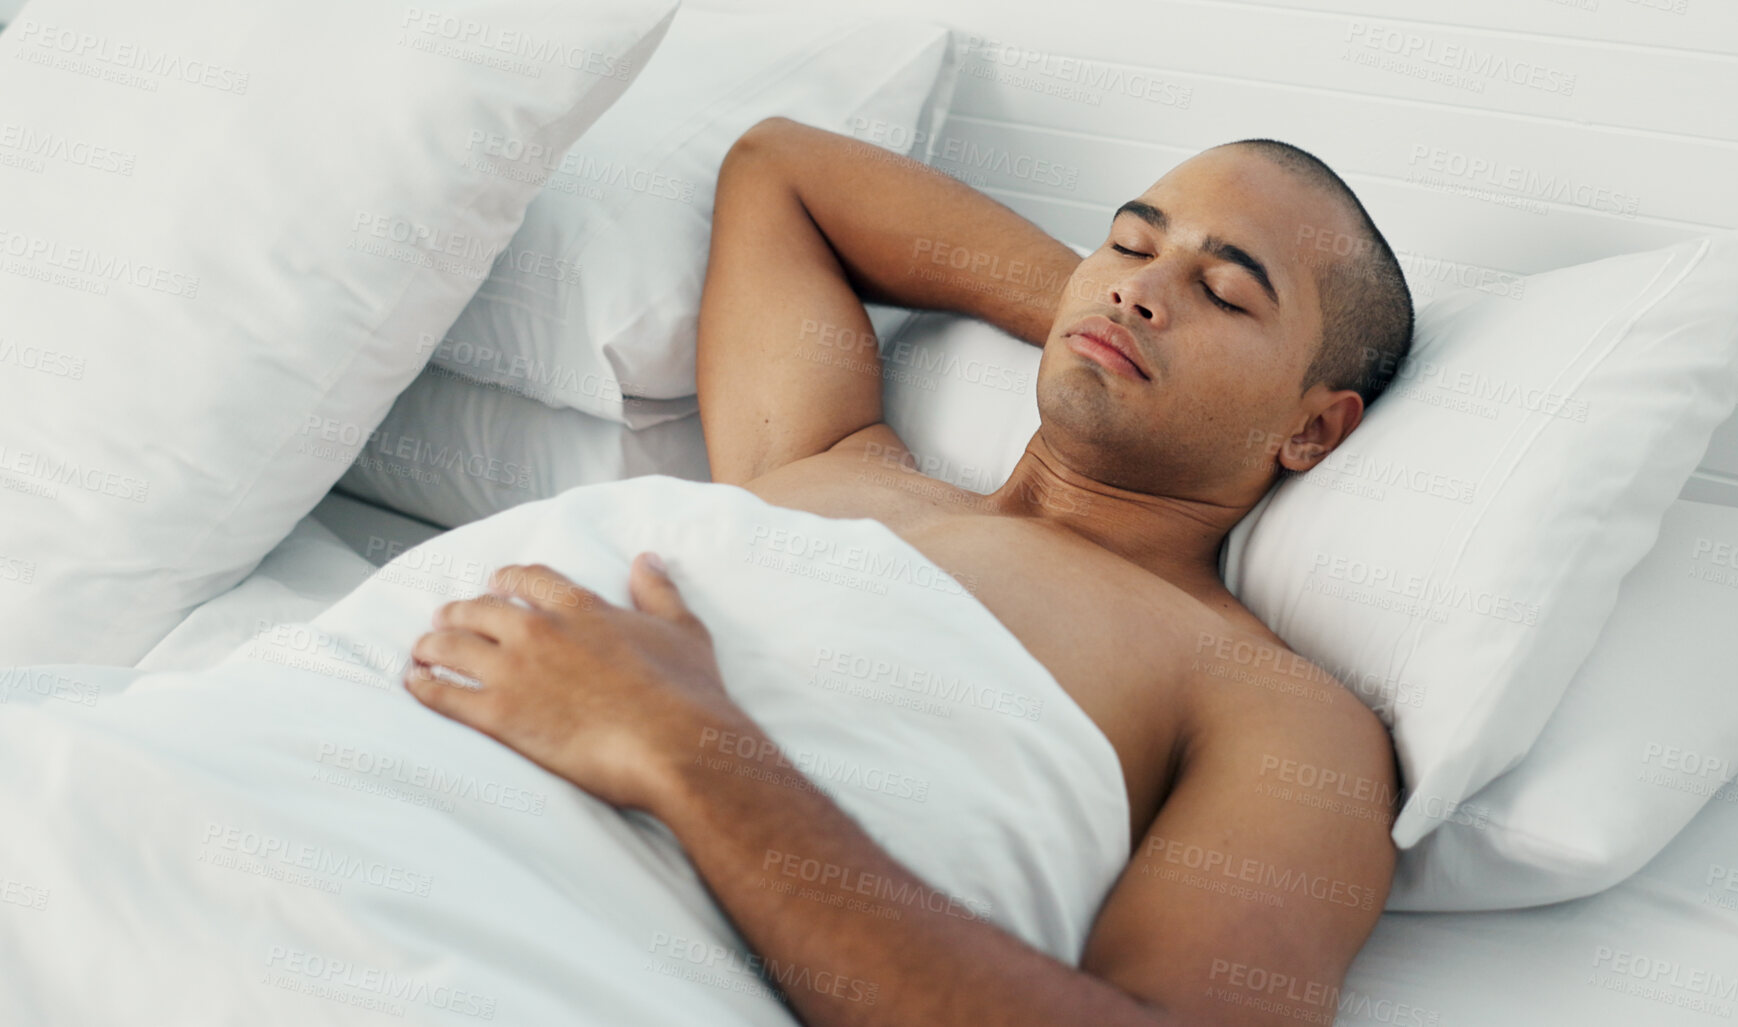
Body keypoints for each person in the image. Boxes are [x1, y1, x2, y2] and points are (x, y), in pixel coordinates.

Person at [402, 116, 1416, 1026]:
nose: (1139, 285)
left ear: (1313, 427)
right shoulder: (825, 461)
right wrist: (1099, 316)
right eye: (1130, 241)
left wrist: (690, 748)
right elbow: (782, 170)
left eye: (1225, 292)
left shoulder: (1279, 713)